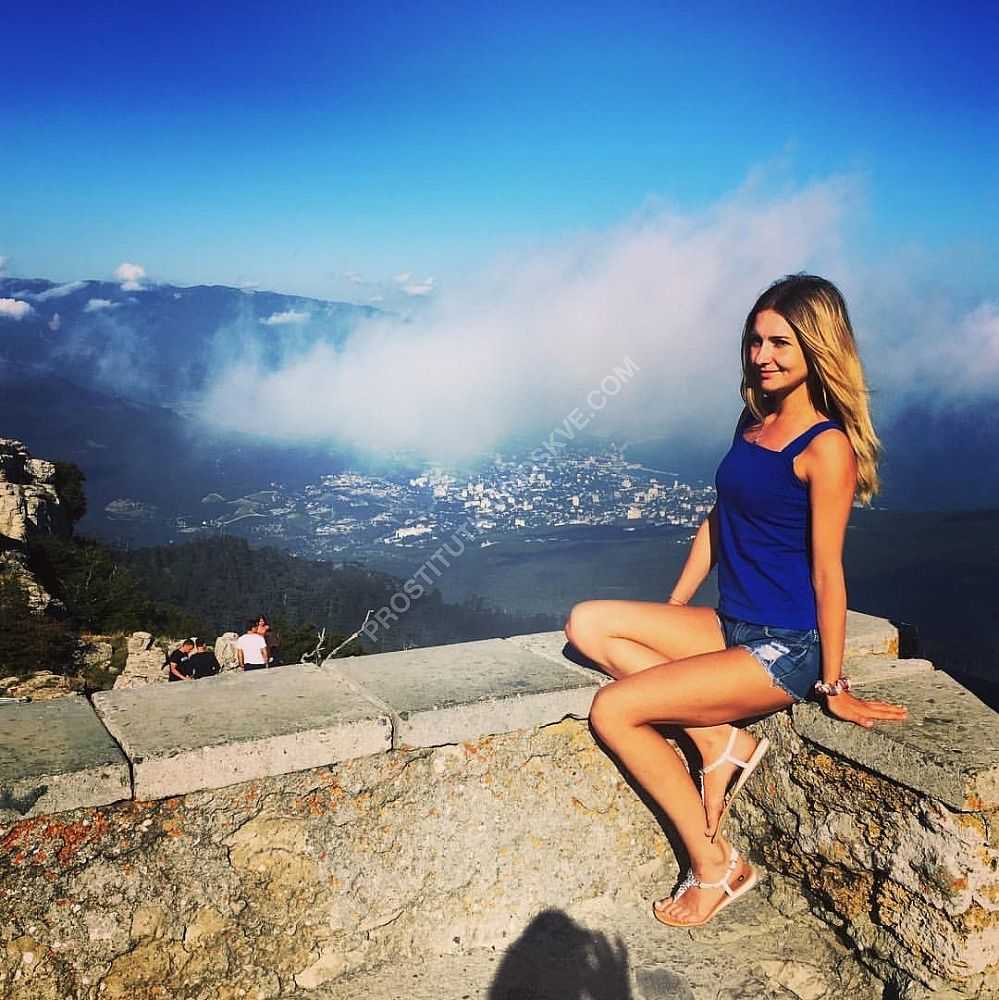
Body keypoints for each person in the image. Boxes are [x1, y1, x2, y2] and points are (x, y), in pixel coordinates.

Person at [565, 274, 907, 930]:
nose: (761, 356)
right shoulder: (753, 422)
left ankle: (716, 866)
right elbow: (719, 520)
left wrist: (833, 684)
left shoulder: (825, 447)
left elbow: (828, 573)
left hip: (785, 648)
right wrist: (673, 607)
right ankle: (716, 740)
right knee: (587, 624)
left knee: (613, 708)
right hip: (732, 624)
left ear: (817, 348)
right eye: (755, 340)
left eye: (780, 342)